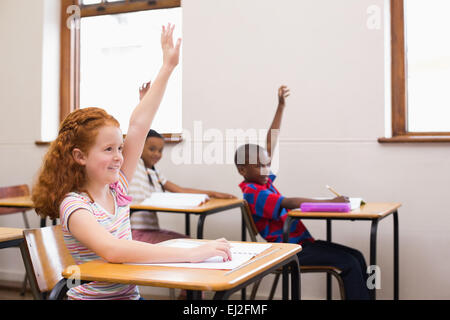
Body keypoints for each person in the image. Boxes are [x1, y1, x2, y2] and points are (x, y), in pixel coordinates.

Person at [31, 24, 231, 300]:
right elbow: (114, 250)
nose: (118, 157)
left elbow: (138, 126)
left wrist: (168, 66)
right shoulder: (74, 205)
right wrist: (191, 253)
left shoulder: (117, 187)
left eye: (120, 148)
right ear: (80, 156)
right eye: (108, 149)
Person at [235, 85, 370, 300]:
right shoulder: (251, 192)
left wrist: (280, 107)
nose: (265, 169)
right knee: (350, 263)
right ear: (242, 170)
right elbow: (288, 202)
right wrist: (330, 202)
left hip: (302, 243)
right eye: (259, 165)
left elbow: (269, 145)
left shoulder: (263, 181)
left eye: (267, 165)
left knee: (358, 256)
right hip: (287, 249)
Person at [129, 83, 236, 244]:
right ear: (140, 147)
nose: (157, 154)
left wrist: (213, 193)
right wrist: (143, 101)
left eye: (160, 150)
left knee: (189, 241)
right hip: (134, 234)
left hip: (151, 231)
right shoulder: (133, 164)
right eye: (152, 149)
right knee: (190, 245)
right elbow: (136, 130)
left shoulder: (155, 173)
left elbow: (180, 190)